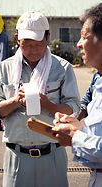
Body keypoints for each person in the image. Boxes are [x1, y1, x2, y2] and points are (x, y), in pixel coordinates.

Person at [0, 11, 80, 187]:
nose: (33, 51)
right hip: (17, 158)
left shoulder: (62, 68)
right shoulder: (5, 68)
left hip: (53, 156)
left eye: (38, 44)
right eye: (26, 44)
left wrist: (49, 105)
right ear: (17, 39)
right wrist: (15, 101)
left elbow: (73, 106)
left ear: (48, 38)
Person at [52, 3, 102, 187]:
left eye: (84, 37)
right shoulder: (98, 77)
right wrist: (77, 126)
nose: (79, 44)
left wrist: (76, 137)